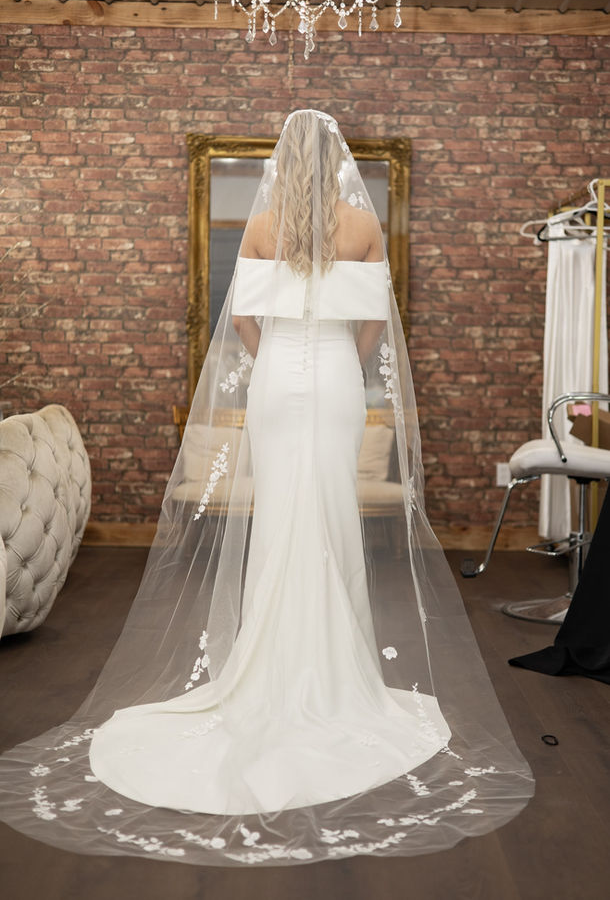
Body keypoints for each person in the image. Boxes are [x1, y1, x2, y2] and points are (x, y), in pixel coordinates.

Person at [0, 110, 534, 866]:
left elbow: (243, 322)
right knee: (330, 518)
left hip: (280, 381)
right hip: (338, 380)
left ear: (284, 161)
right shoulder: (361, 223)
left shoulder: (262, 226)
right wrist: (336, 356)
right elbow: (375, 325)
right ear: (338, 159)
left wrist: (283, 352)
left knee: (283, 513)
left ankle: (271, 661)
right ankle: (332, 669)